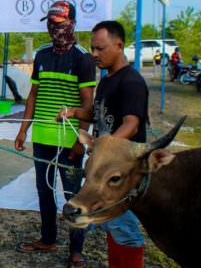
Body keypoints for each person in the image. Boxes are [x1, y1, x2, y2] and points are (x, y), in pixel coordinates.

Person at [14, 1, 95, 268]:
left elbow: (87, 105)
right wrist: (23, 129)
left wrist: (80, 141)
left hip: (69, 141)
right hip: (42, 138)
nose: (54, 29)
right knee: (44, 191)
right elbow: (34, 94)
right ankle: (48, 239)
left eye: (59, 24)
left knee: (73, 196)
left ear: (71, 24)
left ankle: (76, 251)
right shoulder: (42, 55)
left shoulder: (83, 58)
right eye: (51, 24)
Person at [64, 20, 148, 267]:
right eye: (92, 48)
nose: (94, 54)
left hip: (120, 173)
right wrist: (73, 113)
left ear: (119, 45)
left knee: (124, 226)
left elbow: (131, 124)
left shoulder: (131, 81)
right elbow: (98, 115)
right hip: (104, 167)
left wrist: (103, 148)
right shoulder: (108, 79)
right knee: (111, 223)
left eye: (100, 49)